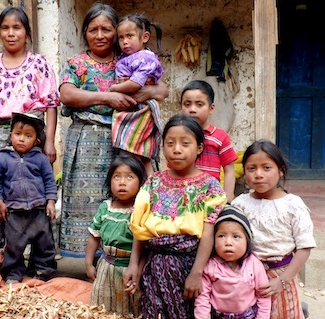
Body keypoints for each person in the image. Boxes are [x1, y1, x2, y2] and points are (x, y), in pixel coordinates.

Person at [59, 3, 168, 258]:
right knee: (84, 203)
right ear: (84, 32)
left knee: (127, 196)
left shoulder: (131, 59)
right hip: (86, 141)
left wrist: (147, 91)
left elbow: (162, 90)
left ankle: (125, 254)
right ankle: (86, 259)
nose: (99, 35)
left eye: (106, 29)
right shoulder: (77, 63)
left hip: (125, 140)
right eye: (93, 29)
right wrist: (107, 97)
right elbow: (66, 94)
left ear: (117, 33)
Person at [123, 114, 226, 319]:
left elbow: (208, 234)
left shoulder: (210, 186)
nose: (176, 149)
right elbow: (139, 228)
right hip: (156, 264)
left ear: (199, 148)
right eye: (170, 143)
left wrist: (197, 272)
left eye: (185, 143)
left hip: (188, 264)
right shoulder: (154, 182)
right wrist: (134, 264)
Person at [0, 6, 60, 250]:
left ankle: (34, 253)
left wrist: (50, 141)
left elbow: (51, 104)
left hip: (30, 136)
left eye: (17, 28)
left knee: (30, 191)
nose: (10, 33)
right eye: (5, 28)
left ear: (26, 32)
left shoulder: (39, 64)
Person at [232, 139, 315, 319]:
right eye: (251, 168)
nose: (258, 174)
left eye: (266, 168)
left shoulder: (292, 205)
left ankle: (298, 311)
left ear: (281, 170)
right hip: (247, 274)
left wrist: (283, 281)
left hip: (280, 275)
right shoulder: (240, 203)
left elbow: (304, 247)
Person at [194, 205, 284, 319]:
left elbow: (263, 297)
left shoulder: (254, 265)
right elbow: (203, 297)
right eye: (221, 236)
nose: (228, 242)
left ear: (247, 241)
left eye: (236, 237)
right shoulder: (211, 265)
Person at [0, 113, 58, 283]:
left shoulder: (40, 159)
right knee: (14, 245)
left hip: (39, 211)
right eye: (18, 134)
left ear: (36, 141)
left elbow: (50, 180)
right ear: (10, 135)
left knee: (44, 243)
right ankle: (13, 272)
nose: (21, 139)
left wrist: (50, 202)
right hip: (14, 212)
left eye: (28, 136)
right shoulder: (2, 157)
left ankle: (43, 270)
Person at [84, 154, 147, 316]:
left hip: (129, 268)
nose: (122, 182)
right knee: (102, 304)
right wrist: (89, 262)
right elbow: (94, 237)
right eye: (116, 176)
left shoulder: (141, 211)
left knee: (129, 308)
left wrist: (138, 271)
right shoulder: (105, 208)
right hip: (106, 266)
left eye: (130, 177)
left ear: (141, 183)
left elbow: (146, 248)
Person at [109, 13, 164, 176]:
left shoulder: (145, 58)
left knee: (135, 151)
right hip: (132, 110)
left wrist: (114, 89)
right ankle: (148, 187)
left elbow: (136, 83)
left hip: (141, 110)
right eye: (120, 38)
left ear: (145, 37)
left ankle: (148, 186)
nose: (125, 42)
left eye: (130, 36)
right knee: (139, 151)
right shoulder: (127, 57)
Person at [181, 80, 238, 201]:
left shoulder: (220, 136)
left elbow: (229, 171)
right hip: (183, 199)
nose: (192, 109)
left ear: (211, 108)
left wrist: (226, 200)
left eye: (199, 104)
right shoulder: (178, 136)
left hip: (211, 198)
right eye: (187, 104)